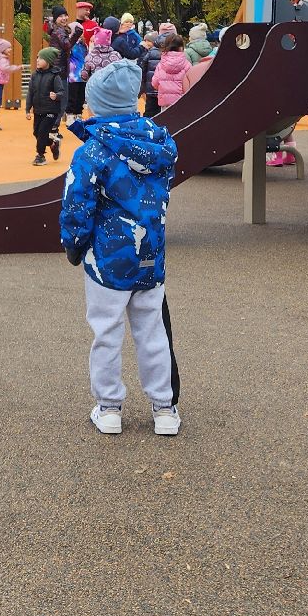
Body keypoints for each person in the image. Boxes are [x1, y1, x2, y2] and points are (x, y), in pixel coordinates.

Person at [60, 59, 180, 437]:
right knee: (152, 330)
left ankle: (109, 407)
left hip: (107, 258)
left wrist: (74, 244)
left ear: (97, 104)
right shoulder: (161, 145)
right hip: (150, 255)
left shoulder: (94, 152)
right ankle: (164, 408)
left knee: (106, 331)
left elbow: (76, 203)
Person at [26, 47, 66, 166]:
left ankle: (40, 155)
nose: (37, 60)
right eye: (37, 57)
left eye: (41, 58)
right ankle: (53, 144)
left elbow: (61, 92)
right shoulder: (34, 75)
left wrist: (56, 96)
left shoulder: (55, 76)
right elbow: (30, 93)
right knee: (36, 133)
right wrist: (27, 109)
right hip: (38, 110)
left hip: (51, 110)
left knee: (42, 132)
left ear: (48, 61)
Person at [138, 33, 164, 116]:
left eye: (148, 41)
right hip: (162, 88)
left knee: (150, 111)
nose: (146, 43)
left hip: (151, 88)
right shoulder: (164, 52)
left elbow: (143, 70)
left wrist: (142, 88)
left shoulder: (150, 53)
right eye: (145, 40)